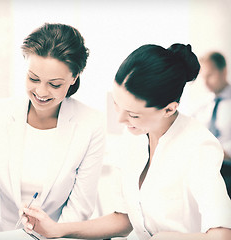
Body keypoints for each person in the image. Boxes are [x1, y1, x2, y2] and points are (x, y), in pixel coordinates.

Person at [21, 44, 231, 240]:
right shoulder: (135, 136)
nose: (121, 120)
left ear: (169, 109)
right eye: (116, 104)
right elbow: (124, 219)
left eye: (133, 114)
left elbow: (221, 234)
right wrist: (57, 229)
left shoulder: (198, 146)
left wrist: (165, 238)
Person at [0, 23, 106, 240]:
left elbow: (80, 207)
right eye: (33, 79)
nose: (41, 92)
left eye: (54, 84)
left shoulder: (92, 124)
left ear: (74, 77)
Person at [192, 52, 231, 161]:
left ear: (224, 72)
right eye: (203, 77)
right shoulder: (200, 106)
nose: (205, 82)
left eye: (209, 75)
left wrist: (220, 153)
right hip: (203, 163)